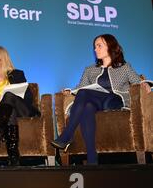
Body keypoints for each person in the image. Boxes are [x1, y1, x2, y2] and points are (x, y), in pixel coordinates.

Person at [51, 34, 151, 165]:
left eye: (99, 46)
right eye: (94, 47)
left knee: (84, 94)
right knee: (87, 106)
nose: (95, 49)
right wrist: (69, 91)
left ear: (110, 46)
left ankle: (67, 135)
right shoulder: (90, 70)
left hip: (115, 101)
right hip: (97, 102)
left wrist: (144, 84)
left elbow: (137, 81)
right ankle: (92, 158)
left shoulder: (124, 67)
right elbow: (80, 88)